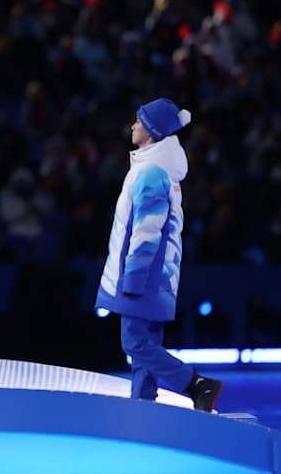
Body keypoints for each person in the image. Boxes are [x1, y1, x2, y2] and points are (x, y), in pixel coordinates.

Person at [95, 98, 223, 412]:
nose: (133, 125)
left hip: (145, 276)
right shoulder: (156, 170)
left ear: (151, 131)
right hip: (157, 275)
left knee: (135, 343)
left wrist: (133, 280)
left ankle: (196, 384)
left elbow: (147, 232)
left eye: (138, 121)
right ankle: (144, 408)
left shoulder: (151, 173)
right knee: (146, 346)